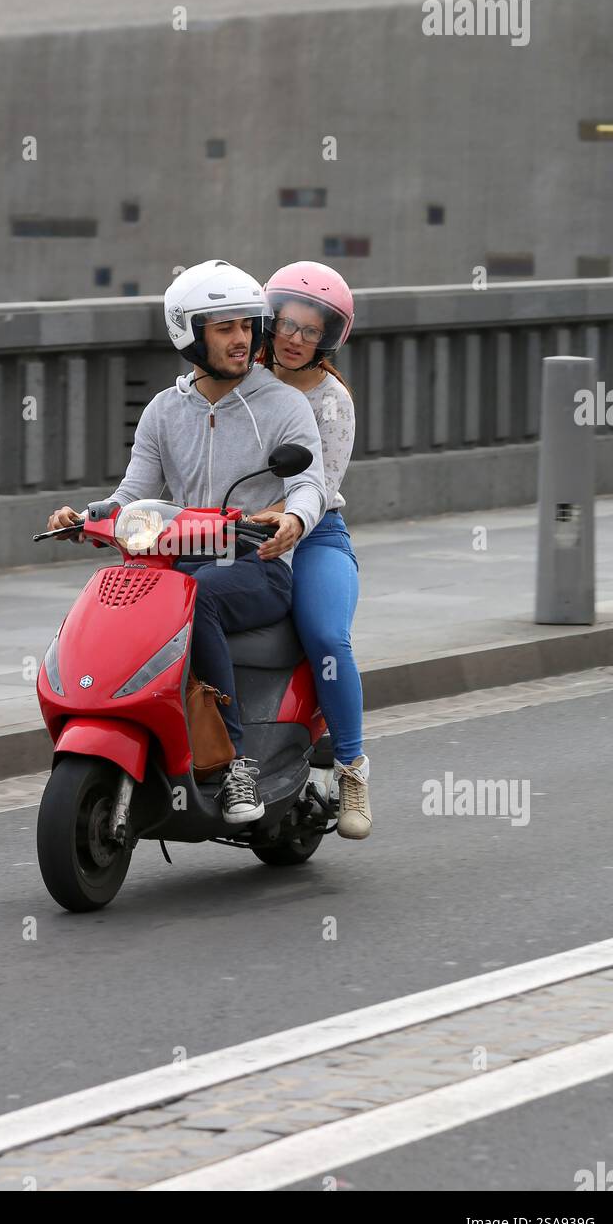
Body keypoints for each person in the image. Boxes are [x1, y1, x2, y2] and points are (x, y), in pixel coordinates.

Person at [47, 259, 326, 824]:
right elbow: (133, 492)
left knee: (197, 601)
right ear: (190, 335)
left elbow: (309, 484)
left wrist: (292, 521)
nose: (242, 339)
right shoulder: (164, 410)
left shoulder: (284, 405)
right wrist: (88, 517)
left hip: (256, 563)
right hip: (175, 563)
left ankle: (236, 766)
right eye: (225, 328)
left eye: (247, 326)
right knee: (119, 601)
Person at [249, 260, 372, 840]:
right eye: (287, 325)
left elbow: (320, 487)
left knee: (326, 636)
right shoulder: (240, 380)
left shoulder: (331, 400)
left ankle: (351, 768)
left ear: (327, 339)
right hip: (238, 531)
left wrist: (289, 515)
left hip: (316, 533)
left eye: (311, 330)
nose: (295, 340)